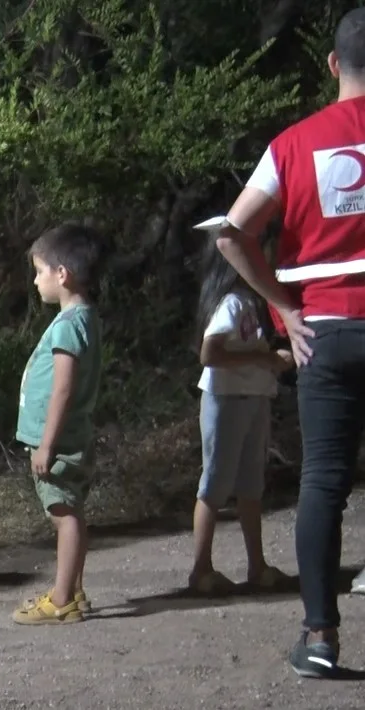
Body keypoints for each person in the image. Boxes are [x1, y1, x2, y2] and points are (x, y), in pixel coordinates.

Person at [209, 8, 365, 678]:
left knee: (323, 481)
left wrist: (282, 308)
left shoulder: (294, 143)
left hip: (324, 333)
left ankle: (320, 637)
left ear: (331, 64)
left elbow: (229, 232)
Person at [11, 223, 104, 625]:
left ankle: (62, 598)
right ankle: (73, 589)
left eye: (39, 271)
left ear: (61, 273)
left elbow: (63, 388)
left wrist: (46, 444)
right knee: (71, 510)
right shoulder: (84, 318)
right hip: (72, 436)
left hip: (59, 441)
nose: (35, 281)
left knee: (63, 514)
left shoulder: (68, 325)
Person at [189, 239, 292, 595]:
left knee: (251, 484)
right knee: (214, 484)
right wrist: (263, 360)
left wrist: (271, 359)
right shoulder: (231, 303)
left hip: (253, 398)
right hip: (226, 399)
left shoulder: (249, 301)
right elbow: (210, 353)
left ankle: (256, 565)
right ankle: (201, 569)